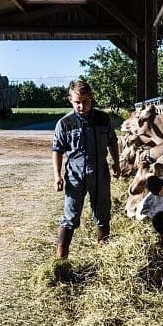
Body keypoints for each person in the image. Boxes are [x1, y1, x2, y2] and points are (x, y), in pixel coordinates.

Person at [52, 81, 120, 258]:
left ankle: (104, 251)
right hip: (75, 175)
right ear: (70, 100)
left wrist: (117, 164)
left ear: (92, 99)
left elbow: (112, 142)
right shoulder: (65, 123)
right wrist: (57, 176)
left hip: (100, 173)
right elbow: (57, 151)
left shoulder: (103, 119)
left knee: (103, 212)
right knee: (70, 215)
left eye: (86, 101)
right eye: (77, 102)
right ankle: (61, 256)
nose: (82, 106)